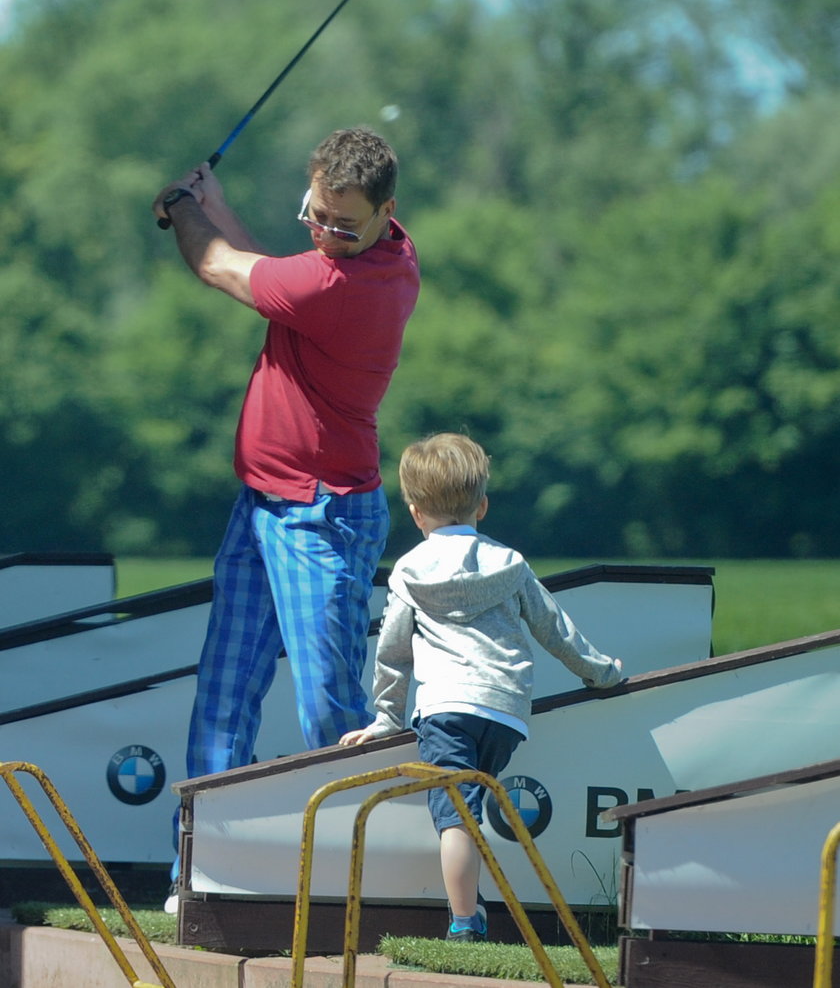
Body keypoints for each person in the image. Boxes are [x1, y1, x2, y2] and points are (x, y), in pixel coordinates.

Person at [152, 127, 420, 907]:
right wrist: (220, 206)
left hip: (321, 514)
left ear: (386, 213)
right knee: (223, 694)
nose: (329, 235)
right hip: (265, 504)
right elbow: (263, 269)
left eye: (346, 225)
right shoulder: (361, 254)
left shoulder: (348, 285)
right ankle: (197, 875)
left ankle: (359, 882)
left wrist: (180, 205)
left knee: (328, 704)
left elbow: (216, 266)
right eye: (318, 217)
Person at [340, 432, 623, 942]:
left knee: (455, 819)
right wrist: (602, 673)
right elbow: (555, 629)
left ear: (415, 512)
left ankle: (464, 922)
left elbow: (394, 651)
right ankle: (475, 902)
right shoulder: (509, 564)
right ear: (483, 505)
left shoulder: (408, 571)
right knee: (469, 808)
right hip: (504, 713)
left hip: (445, 709)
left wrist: (386, 717)